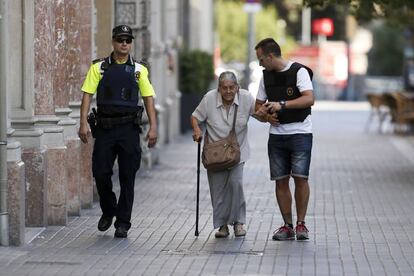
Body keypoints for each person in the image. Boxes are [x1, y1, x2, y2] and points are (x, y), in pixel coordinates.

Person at [78, 25, 157, 238]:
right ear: (113, 41)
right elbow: (87, 94)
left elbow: (149, 98)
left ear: (131, 43)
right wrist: (83, 123)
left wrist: (153, 127)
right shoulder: (99, 68)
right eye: (120, 39)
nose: (124, 43)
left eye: (128, 40)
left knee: (127, 175)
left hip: (129, 129)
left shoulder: (140, 70)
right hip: (104, 128)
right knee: (101, 172)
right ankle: (108, 209)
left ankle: (123, 222)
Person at [254, 38, 314, 241]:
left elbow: (309, 98)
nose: (260, 64)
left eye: (261, 59)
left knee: (301, 178)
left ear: (270, 56)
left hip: (300, 133)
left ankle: (301, 224)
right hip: (277, 137)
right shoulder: (265, 77)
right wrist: (265, 116)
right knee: (280, 181)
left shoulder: (299, 71)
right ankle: (287, 225)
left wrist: (282, 105)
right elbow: (257, 108)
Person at [191, 71, 258, 238]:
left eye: (231, 87)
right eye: (224, 88)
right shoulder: (209, 99)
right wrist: (197, 130)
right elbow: (195, 117)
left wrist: (271, 116)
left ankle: (238, 223)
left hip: (237, 152)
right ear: (219, 88)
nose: (228, 91)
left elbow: (260, 114)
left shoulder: (246, 98)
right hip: (215, 153)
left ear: (237, 87)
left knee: (236, 183)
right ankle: (222, 226)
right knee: (218, 189)